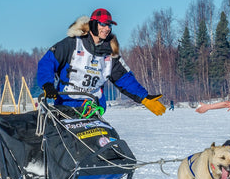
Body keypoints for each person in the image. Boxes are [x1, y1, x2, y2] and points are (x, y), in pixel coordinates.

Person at [37, 8, 166, 116]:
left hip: (93, 106)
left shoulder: (110, 53)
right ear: (93, 24)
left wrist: (144, 97)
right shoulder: (72, 44)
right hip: (67, 104)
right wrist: (48, 85)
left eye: (109, 25)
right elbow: (47, 63)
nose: (107, 28)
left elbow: (124, 78)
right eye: (103, 24)